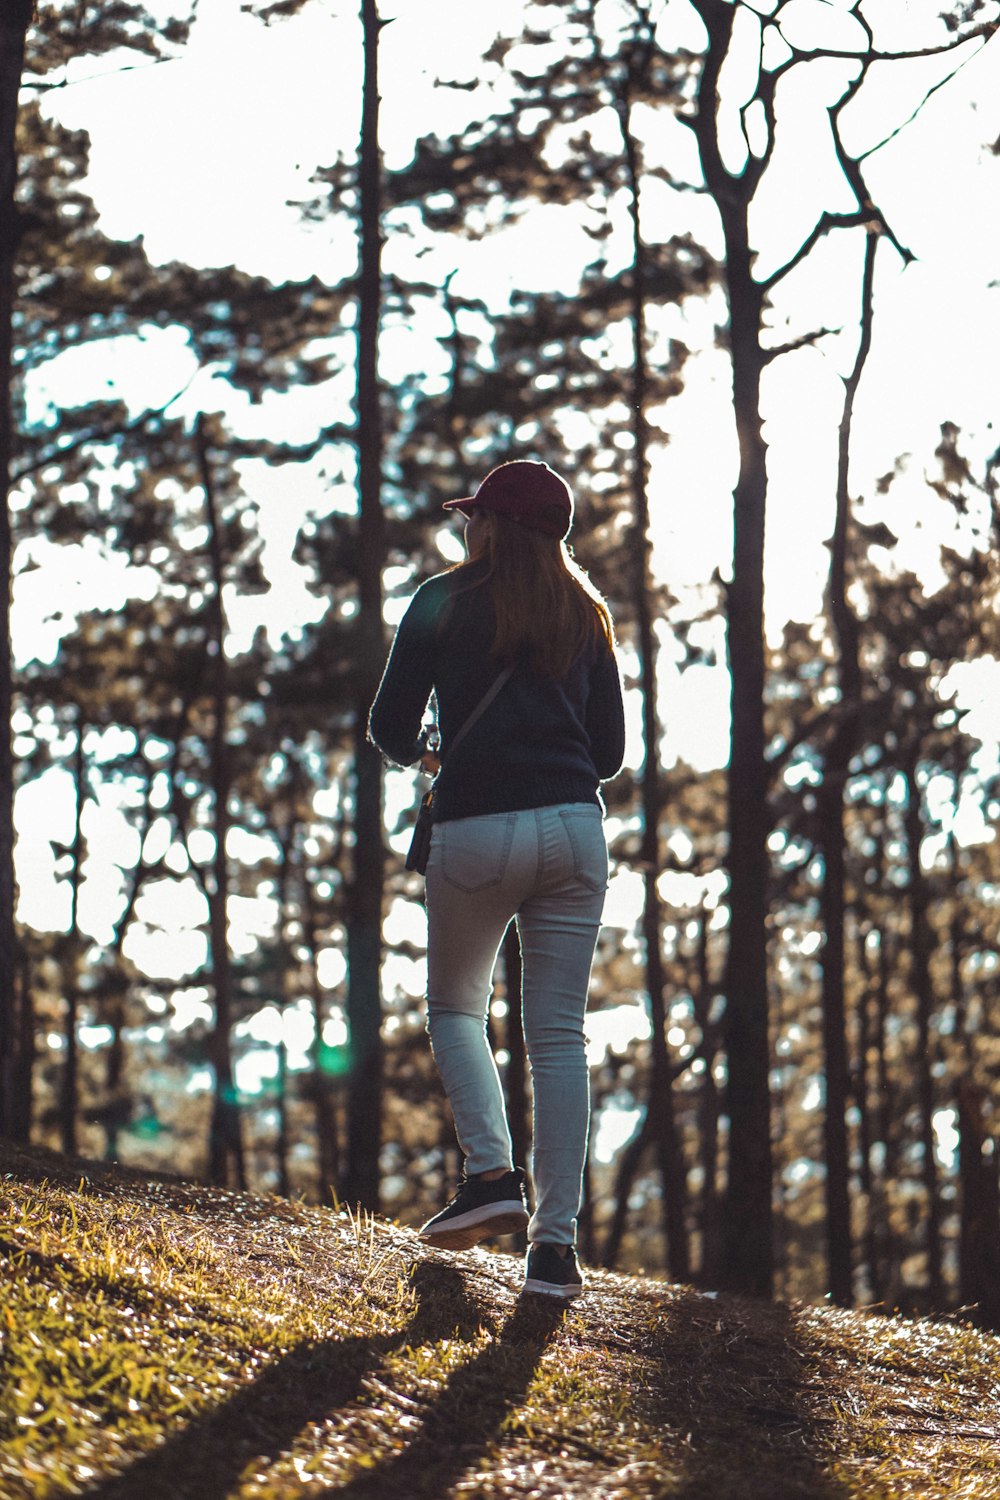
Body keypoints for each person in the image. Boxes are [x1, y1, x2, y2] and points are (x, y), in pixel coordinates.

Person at [368, 459, 625, 1299]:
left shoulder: (442, 600)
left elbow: (390, 730)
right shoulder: (587, 614)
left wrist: (437, 746)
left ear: (486, 525)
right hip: (574, 829)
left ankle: (489, 1180)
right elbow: (611, 754)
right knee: (558, 1039)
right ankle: (554, 1251)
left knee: (455, 1009)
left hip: (476, 826)